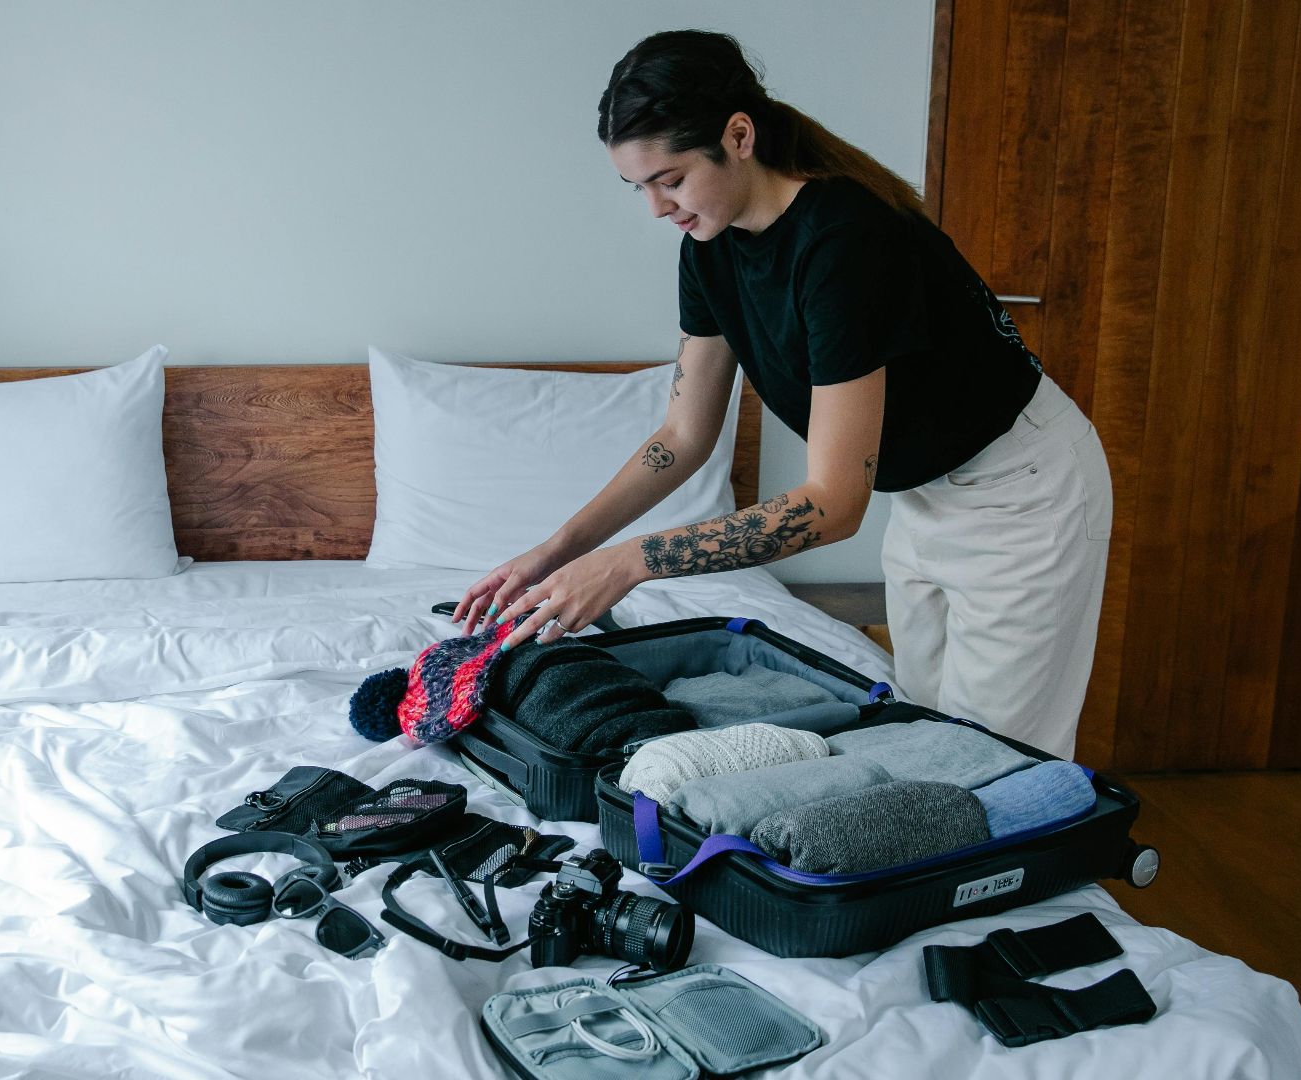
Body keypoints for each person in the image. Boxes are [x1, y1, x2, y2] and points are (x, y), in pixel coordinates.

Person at [451, 29, 1112, 758]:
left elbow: (833, 505)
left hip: (1021, 492)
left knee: (997, 765)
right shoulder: (709, 249)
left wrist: (632, 561)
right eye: (638, 187)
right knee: (933, 741)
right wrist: (559, 551)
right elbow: (681, 437)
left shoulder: (844, 243)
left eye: (670, 179)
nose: (656, 208)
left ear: (738, 135)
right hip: (926, 498)